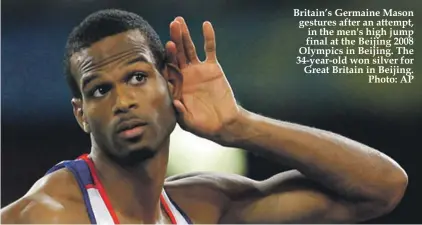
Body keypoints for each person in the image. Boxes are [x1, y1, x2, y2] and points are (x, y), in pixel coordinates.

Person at [1, 9, 408, 224]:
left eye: (138, 78)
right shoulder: (46, 215)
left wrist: (241, 125)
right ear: (82, 115)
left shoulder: (203, 206)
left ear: (171, 85)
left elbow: (381, 188)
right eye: (100, 90)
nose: (122, 101)